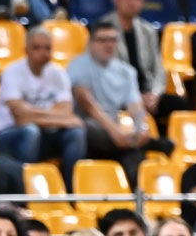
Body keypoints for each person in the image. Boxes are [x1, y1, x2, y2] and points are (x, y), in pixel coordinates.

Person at [68, 21, 173, 184]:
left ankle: (139, 192)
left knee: (133, 152)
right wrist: (115, 132)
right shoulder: (78, 65)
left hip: (114, 128)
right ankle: (151, 144)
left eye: (113, 40)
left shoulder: (126, 71)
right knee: (86, 127)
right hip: (88, 122)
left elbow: (135, 106)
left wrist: (141, 128)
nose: (108, 45)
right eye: (102, 40)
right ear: (91, 42)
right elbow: (87, 104)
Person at [0, 27, 86, 187]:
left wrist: (32, 115)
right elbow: (20, 117)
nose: (43, 53)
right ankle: (25, 189)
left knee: (76, 133)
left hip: (44, 135)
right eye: (37, 48)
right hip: (8, 135)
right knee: (31, 131)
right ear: (26, 50)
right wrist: (58, 117)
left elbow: (66, 112)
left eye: (47, 48)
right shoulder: (11, 72)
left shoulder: (59, 73)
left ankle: (72, 190)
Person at [98, 0, 180, 122]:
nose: (131, 2)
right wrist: (132, 96)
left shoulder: (148, 31)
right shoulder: (102, 30)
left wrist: (154, 95)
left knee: (178, 105)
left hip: (146, 92)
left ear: (142, 1)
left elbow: (158, 69)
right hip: (117, 94)